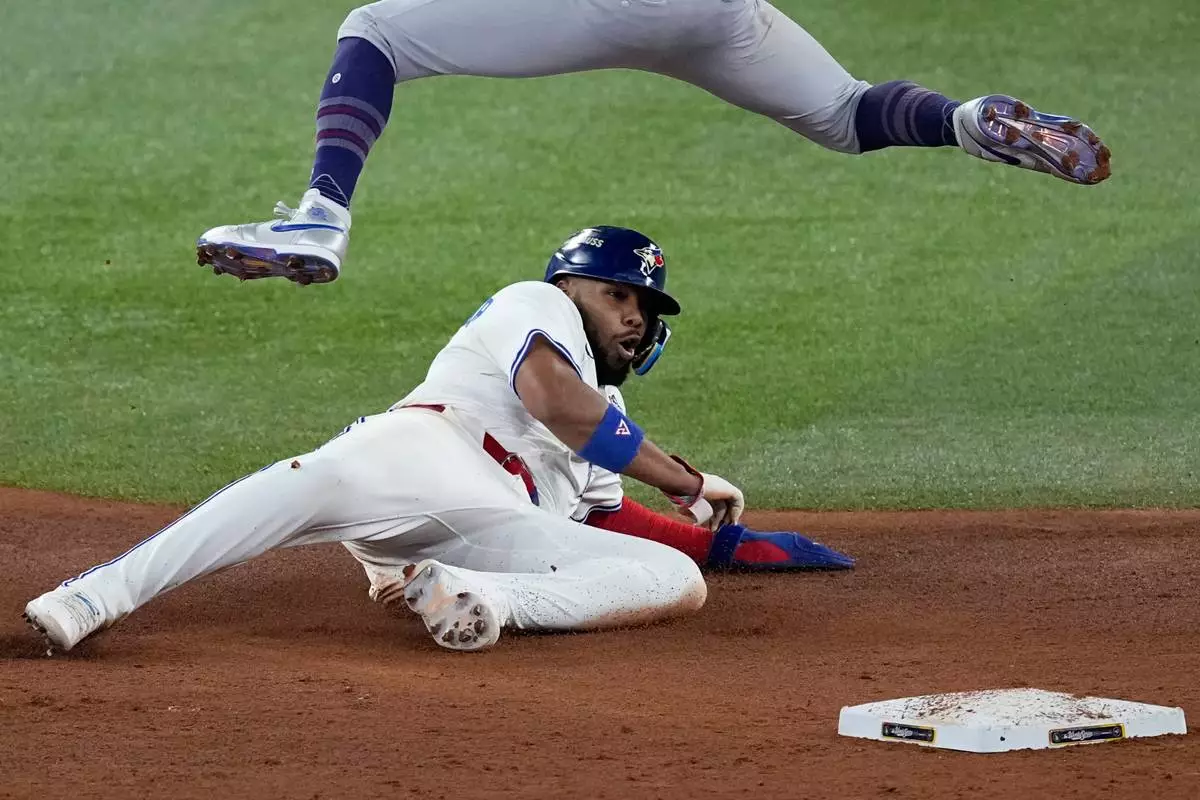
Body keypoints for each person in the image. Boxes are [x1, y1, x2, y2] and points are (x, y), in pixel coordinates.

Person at [28, 226, 852, 655]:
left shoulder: (605, 403)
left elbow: (603, 524)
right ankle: (93, 596)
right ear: (572, 287)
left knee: (673, 583)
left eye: (647, 306)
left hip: (488, 530)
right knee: (299, 488)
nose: (635, 315)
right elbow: (556, 405)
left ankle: (479, 600)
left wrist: (726, 547)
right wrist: (683, 475)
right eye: (619, 294)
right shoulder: (536, 304)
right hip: (422, 458)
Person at [195, 0, 1112, 286]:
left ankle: (320, 215)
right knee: (842, 110)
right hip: (718, 11)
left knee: (379, 32)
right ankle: (965, 122)